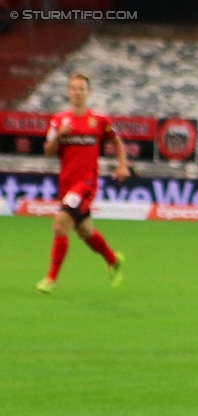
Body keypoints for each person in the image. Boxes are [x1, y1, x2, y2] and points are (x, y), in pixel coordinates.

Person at [36, 72, 129, 294]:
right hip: (66, 183)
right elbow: (48, 152)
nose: (77, 93)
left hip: (86, 183)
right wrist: (59, 136)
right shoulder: (58, 121)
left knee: (60, 224)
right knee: (85, 231)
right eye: (73, 88)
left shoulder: (99, 121)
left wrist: (122, 165)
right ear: (69, 92)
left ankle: (50, 279)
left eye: (81, 89)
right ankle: (113, 260)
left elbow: (116, 141)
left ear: (88, 93)